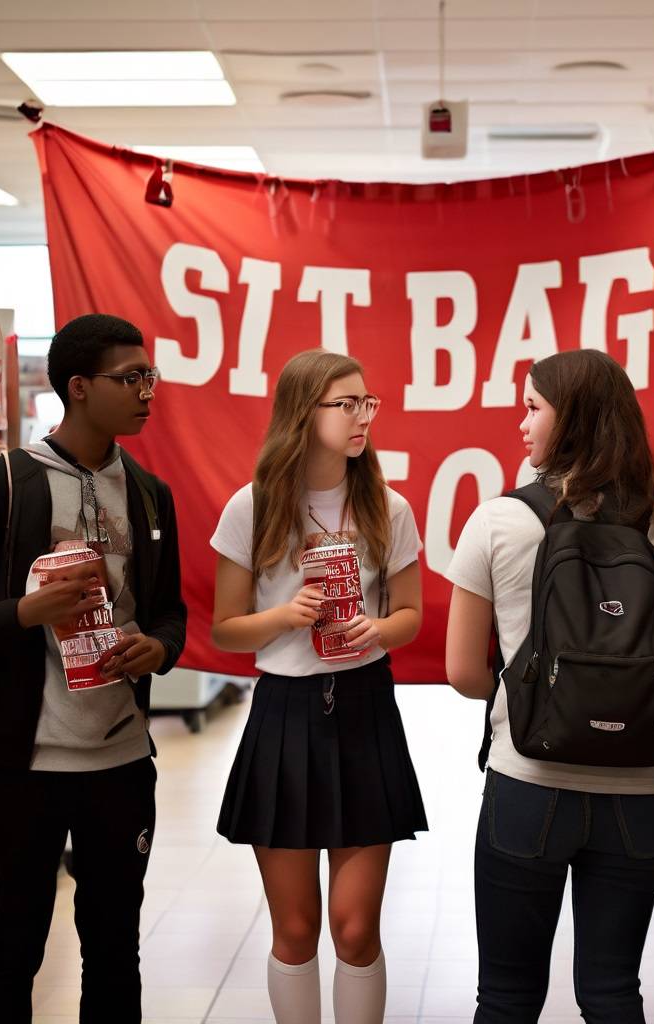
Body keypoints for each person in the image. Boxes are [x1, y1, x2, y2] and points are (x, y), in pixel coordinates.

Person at [444, 348, 654, 1024]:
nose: (520, 422)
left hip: (528, 782)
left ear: (572, 417)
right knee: (613, 992)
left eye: (532, 407)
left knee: (506, 995)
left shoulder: (498, 523)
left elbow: (464, 673)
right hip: (636, 795)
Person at [0, 313, 187, 1023]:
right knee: (14, 946)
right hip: (29, 765)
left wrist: (160, 647)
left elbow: (171, 610)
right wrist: (29, 611)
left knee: (115, 947)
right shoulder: (7, 486)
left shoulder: (149, 493)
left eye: (151, 376)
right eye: (131, 377)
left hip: (121, 761)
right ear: (79, 387)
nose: (148, 390)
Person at [210, 349, 426, 1024]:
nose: (363, 417)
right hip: (285, 711)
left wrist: (379, 630)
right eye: (347, 404)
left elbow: (413, 616)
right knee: (297, 929)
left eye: (368, 403)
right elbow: (225, 629)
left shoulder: (388, 506)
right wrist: (285, 615)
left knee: (357, 930)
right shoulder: (254, 506)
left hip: (365, 709)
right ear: (305, 413)